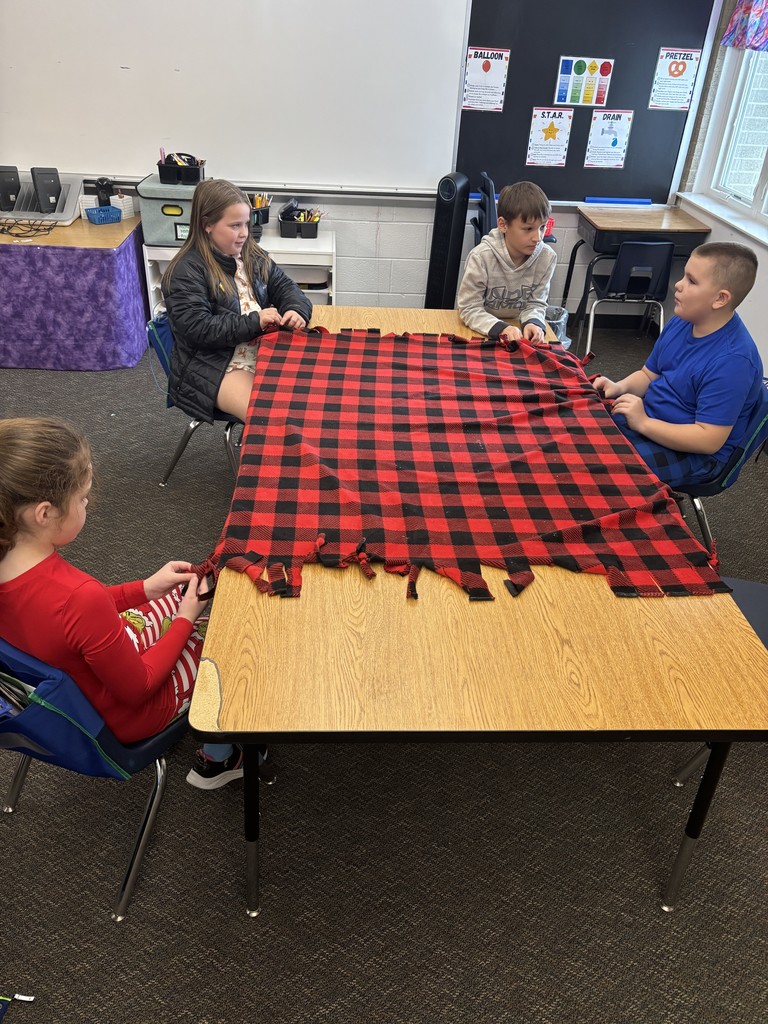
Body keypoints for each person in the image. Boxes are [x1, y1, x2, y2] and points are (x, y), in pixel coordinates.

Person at [0, 417, 264, 790]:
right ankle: (220, 756)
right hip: (128, 715)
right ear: (44, 513)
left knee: (178, 595)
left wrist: (145, 588)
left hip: (75, 693)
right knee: (233, 633)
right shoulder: (77, 596)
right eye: (82, 497)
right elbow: (138, 687)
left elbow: (70, 621)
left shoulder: (18, 567)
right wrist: (186, 619)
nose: (87, 503)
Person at [593, 241, 764, 490]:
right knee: (583, 432)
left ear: (720, 298)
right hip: (650, 420)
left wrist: (643, 423)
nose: (678, 284)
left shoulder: (733, 362)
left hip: (694, 454)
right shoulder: (684, 319)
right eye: (684, 275)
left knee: (602, 475)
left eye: (691, 281)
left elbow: (708, 440)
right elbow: (648, 375)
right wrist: (618, 387)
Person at [162, 178, 313, 425]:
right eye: (235, 225)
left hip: (259, 347)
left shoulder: (252, 254)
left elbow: (286, 287)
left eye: (246, 223)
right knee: (271, 420)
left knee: (312, 399)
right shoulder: (185, 270)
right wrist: (255, 322)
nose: (244, 233)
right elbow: (198, 329)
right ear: (207, 225)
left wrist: (296, 309)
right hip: (212, 362)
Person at [457, 180, 556, 346]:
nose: (538, 237)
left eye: (542, 227)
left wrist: (534, 322)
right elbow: (469, 308)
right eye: (528, 229)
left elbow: (536, 303)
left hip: (519, 332)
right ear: (503, 225)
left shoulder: (547, 257)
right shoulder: (481, 257)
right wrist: (501, 329)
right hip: (482, 331)